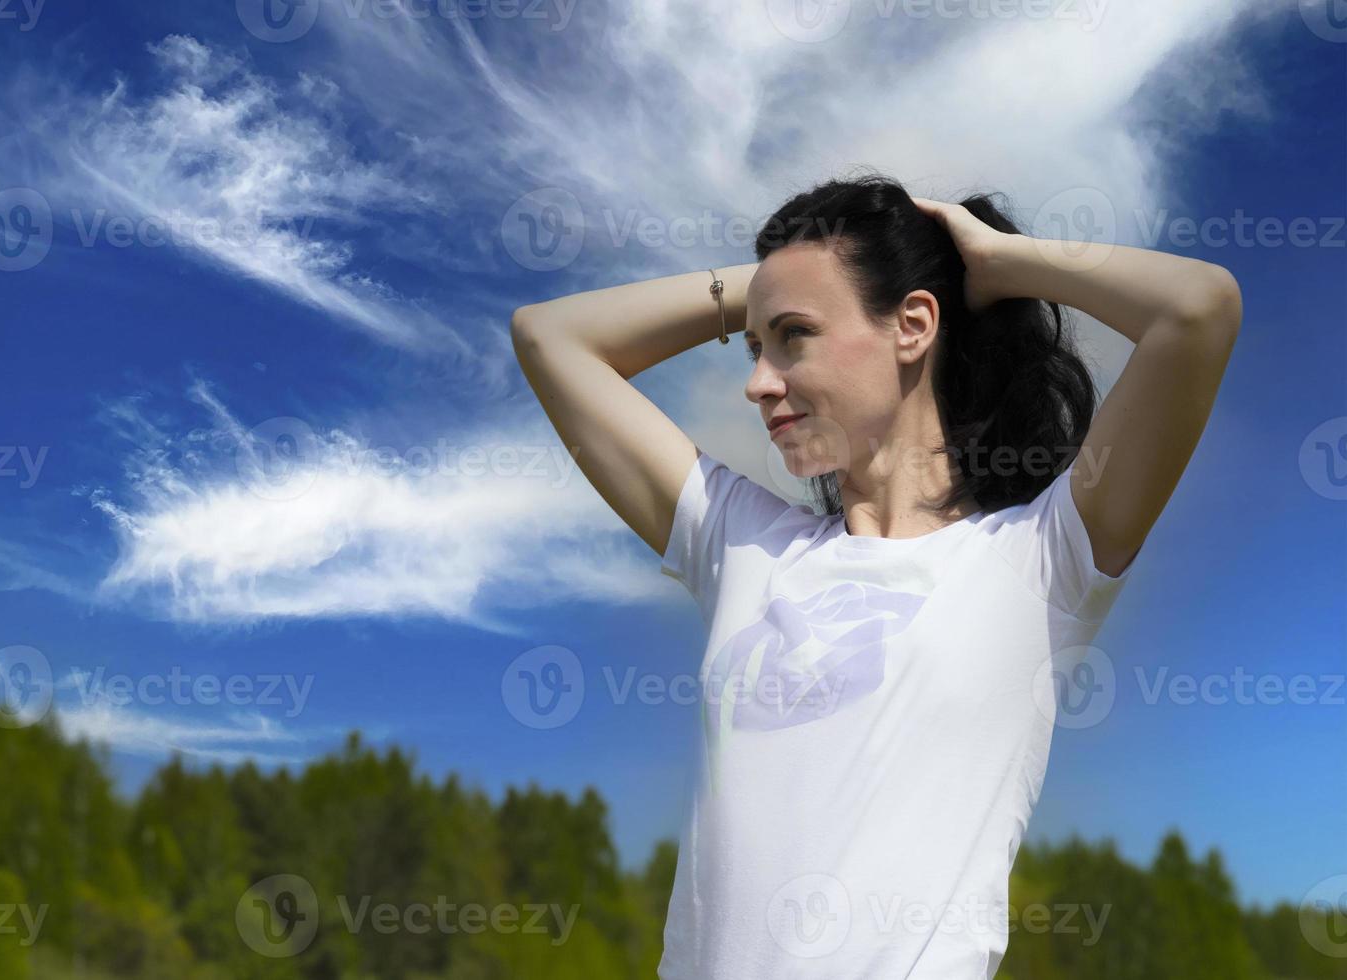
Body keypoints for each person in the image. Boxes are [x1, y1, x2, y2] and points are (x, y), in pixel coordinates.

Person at [510, 171, 1242, 979]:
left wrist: (1000, 262)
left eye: (793, 336)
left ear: (914, 324)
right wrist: (770, 289)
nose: (757, 382)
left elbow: (1197, 309)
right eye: (755, 346)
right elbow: (549, 336)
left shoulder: (1041, 557)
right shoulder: (745, 543)